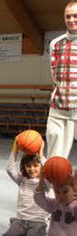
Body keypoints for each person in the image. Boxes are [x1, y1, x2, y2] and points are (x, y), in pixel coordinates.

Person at [2, 140, 48, 236]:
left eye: (35, 165)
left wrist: (41, 156)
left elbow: (50, 171)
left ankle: (41, 229)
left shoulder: (45, 182)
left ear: (41, 167)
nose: (32, 169)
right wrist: (15, 150)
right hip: (21, 218)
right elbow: (9, 169)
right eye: (28, 166)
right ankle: (15, 223)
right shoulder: (22, 180)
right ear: (24, 167)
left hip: (37, 220)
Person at [46, 0, 77, 158]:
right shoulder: (55, 44)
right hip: (59, 111)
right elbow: (55, 76)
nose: (72, 20)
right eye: (68, 16)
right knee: (55, 162)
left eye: (75, 16)